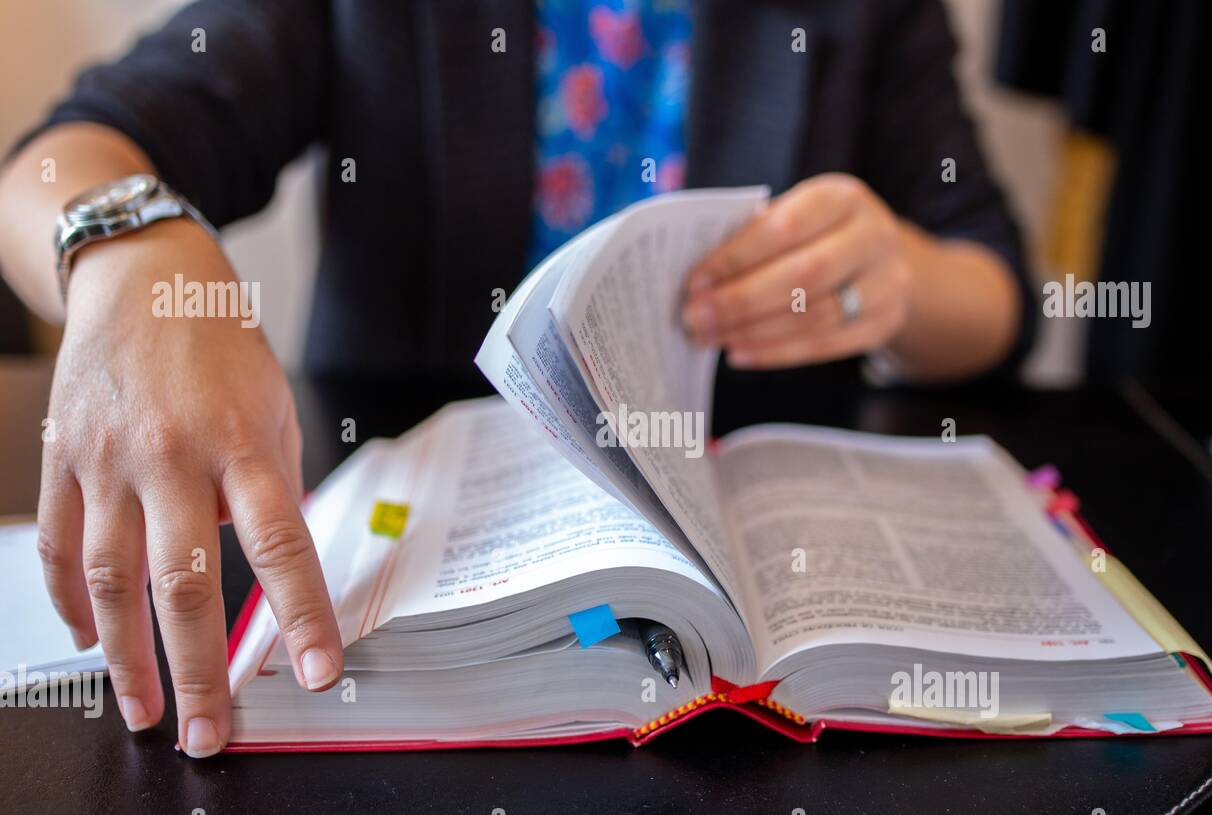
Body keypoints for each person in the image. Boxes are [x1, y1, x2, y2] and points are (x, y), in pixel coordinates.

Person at [0, 0, 1032, 757]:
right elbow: (57, 159)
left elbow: (994, 291)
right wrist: (130, 246)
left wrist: (898, 279)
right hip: (415, 587)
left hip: (751, 677)